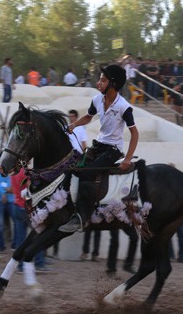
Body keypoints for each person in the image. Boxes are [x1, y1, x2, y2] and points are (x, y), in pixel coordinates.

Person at [59, 64, 139, 233]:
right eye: (99, 80)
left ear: (113, 84)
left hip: (113, 149)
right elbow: (88, 117)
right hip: (98, 146)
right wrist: (73, 124)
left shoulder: (124, 107)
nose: (98, 83)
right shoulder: (97, 100)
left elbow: (135, 134)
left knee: (87, 172)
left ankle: (83, 217)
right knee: (73, 168)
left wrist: (127, 159)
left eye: (102, 80)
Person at [10, 167, 47, 272]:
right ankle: (39, 263)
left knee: (20, 239)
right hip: (27, 209)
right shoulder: (26, 173)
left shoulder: (13, 172)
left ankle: (20, 265)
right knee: (38, 235)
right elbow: (31, 190)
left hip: (17, 205)